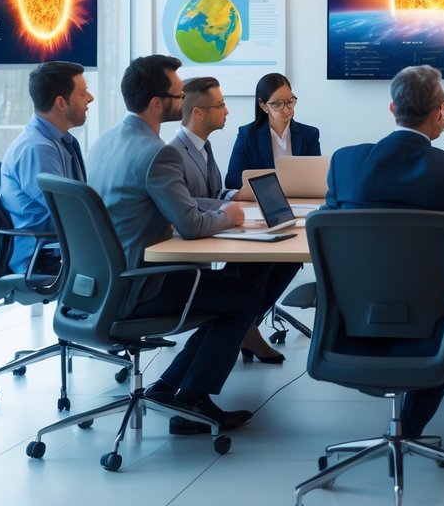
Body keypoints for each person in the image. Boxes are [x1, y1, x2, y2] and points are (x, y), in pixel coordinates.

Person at [87, 55, 278, 434]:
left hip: (102, 284)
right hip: (141, 285)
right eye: (177, 95)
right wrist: (231, 216)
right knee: (242, 298)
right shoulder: (158, 152)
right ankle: (191, 399)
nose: (182, 101)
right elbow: (190, 224)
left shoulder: (103, 142)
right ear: (157, 103)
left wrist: (220, 206)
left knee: (231, 294)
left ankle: (167, 387)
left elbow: (181, 206)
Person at [324, 65, 444, 439]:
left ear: (392, 110)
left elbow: (333, 229)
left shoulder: (345, 162)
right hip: (429, 325)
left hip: (360, 317)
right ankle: (409, 427)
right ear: (441, 114)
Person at [169, 76, 298, 365]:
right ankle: (243, 328)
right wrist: (228, 206)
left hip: (216, 229)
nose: (227, 110)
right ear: (198, 113)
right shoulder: (173, 153)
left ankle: (245, 328)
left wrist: (235, 195)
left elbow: (213, 191)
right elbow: (185, 204)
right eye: (221, 105)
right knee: (249, 284)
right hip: (191, 247)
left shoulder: (203, 147)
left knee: (284, 258)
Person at [0, 61, 93, 274]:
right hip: (44, 257)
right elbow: (71, 213)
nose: (90, 98)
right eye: (83, 93)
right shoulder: (38, 149)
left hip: (60, 250)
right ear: (61, 102)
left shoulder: (59, 142)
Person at [224, 72, 321, 190]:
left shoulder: (310, 134)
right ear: (263, 106)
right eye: (277, 104)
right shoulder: (247, 135)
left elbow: (316, 178)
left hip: (301, 199)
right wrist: (270, 185)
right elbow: (232, 179)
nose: (285, 110)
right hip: (264, 201)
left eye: (290, 101)